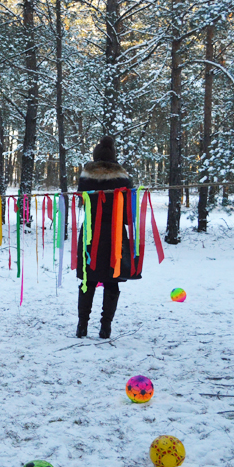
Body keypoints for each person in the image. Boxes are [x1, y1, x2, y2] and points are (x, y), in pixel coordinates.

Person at [76, 135, 140, 339]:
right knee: (112, 281)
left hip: (90, 233)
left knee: (88, 279)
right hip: (114, 235)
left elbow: (82, 203)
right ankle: (106, 327)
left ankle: (82, 325)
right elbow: (130, 214)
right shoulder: (123, 179)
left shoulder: (86, 178)